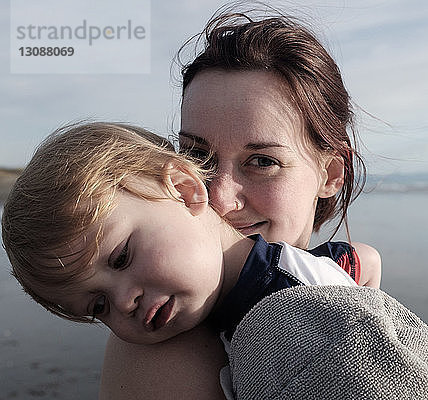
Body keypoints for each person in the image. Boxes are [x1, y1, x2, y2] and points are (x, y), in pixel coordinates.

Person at [99, 9, 381, 399]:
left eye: (262, 162)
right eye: (197, 157)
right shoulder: (164, 342)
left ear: (331, 175)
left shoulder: (331, 281)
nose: (217, 197)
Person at [1, 121, 377, 345]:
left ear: (184, 190)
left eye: (121, 258)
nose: (124, 302)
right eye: (98, 306)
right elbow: (361, 259)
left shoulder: (297, 303)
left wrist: (373, 305)